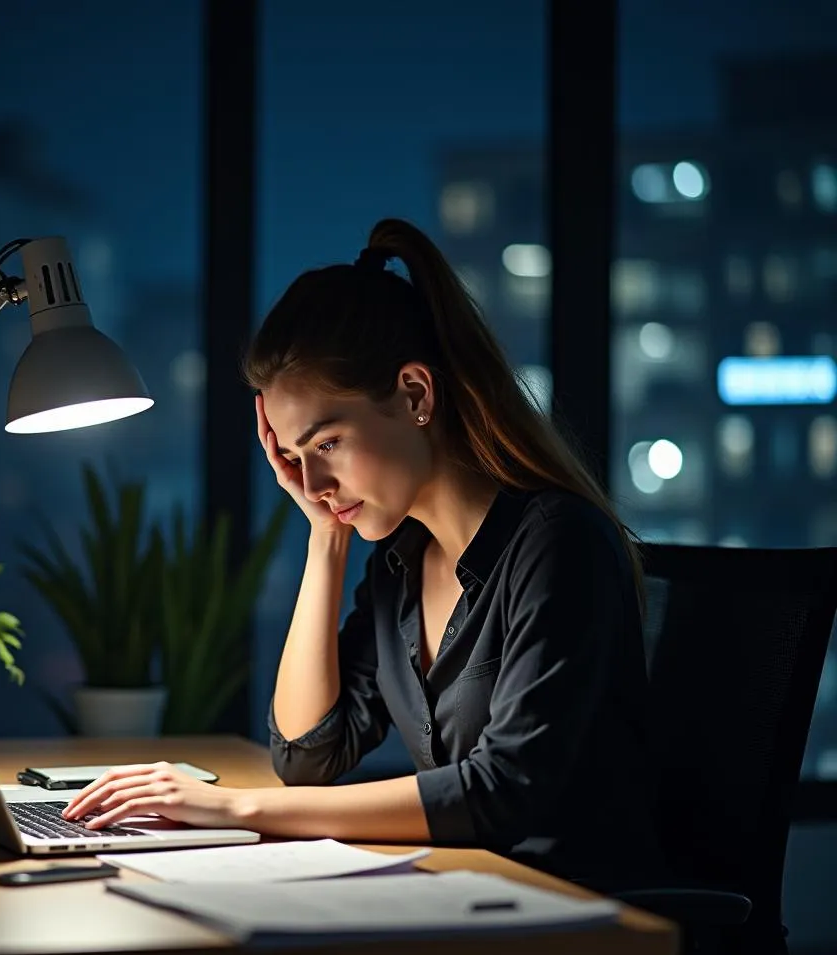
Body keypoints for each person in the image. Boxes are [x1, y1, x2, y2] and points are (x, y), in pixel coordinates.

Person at [63, 216, 667, 891]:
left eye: (326, 444)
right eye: (293, 458)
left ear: (415, 394)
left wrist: (237, 807)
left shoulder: (557, 542)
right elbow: (310, 756)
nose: (315, 483)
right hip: (464, 900)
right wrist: (326, 538)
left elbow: (503, 790)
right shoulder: (401, 561)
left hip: (581, 926)